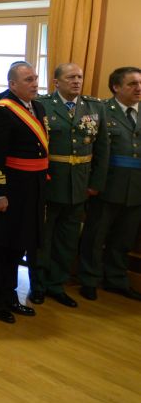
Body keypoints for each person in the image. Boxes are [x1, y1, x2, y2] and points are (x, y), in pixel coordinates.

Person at [30, 64, 109, 307]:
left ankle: (57, 284)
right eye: (70, 77)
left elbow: (103, 148)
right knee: (43, 238)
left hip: (79, 185)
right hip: (51, 182)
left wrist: (96, 182)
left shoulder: (95, 107)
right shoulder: (42, 104)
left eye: (79, 77)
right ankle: (39, 285)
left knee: (67, 240)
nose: (76, 81)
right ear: (56, 82)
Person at [0, 62, 45, 323]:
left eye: (35, 78)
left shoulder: (37, 107)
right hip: (10, 188)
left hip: (32, 188)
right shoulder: (2, 110)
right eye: (28, 79)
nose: (34, 83)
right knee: (2, 246)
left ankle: (11, 296)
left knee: (20, 244)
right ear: (12, 84)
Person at [78, 67, 141, 301]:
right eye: (132, 84)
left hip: (136, 188)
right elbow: (90, 149)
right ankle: (89, 280)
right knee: (96, 236)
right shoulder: (101, 110)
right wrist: (93, 183)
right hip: (107, 184)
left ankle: (116, 280)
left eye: (140, 83)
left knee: (124, 238)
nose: (138, 88)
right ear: (116, 87)